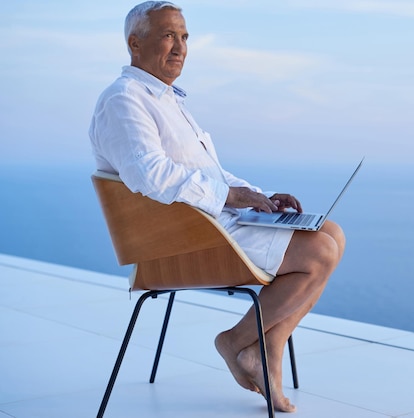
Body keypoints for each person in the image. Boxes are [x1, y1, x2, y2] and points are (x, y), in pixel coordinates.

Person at [89, 1, 345, 413]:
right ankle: (239, 341)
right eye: (168, 35)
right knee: (320, 252)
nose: (180, 47)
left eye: (185, 36)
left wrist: (260, 196)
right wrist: (233, 199)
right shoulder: (124, 100)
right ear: (135, 44)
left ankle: (269, 345)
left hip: (210, 225)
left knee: (332, 233)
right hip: (177, 243)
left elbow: (213, 175)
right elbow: (149, 175)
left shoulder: (168, 100)